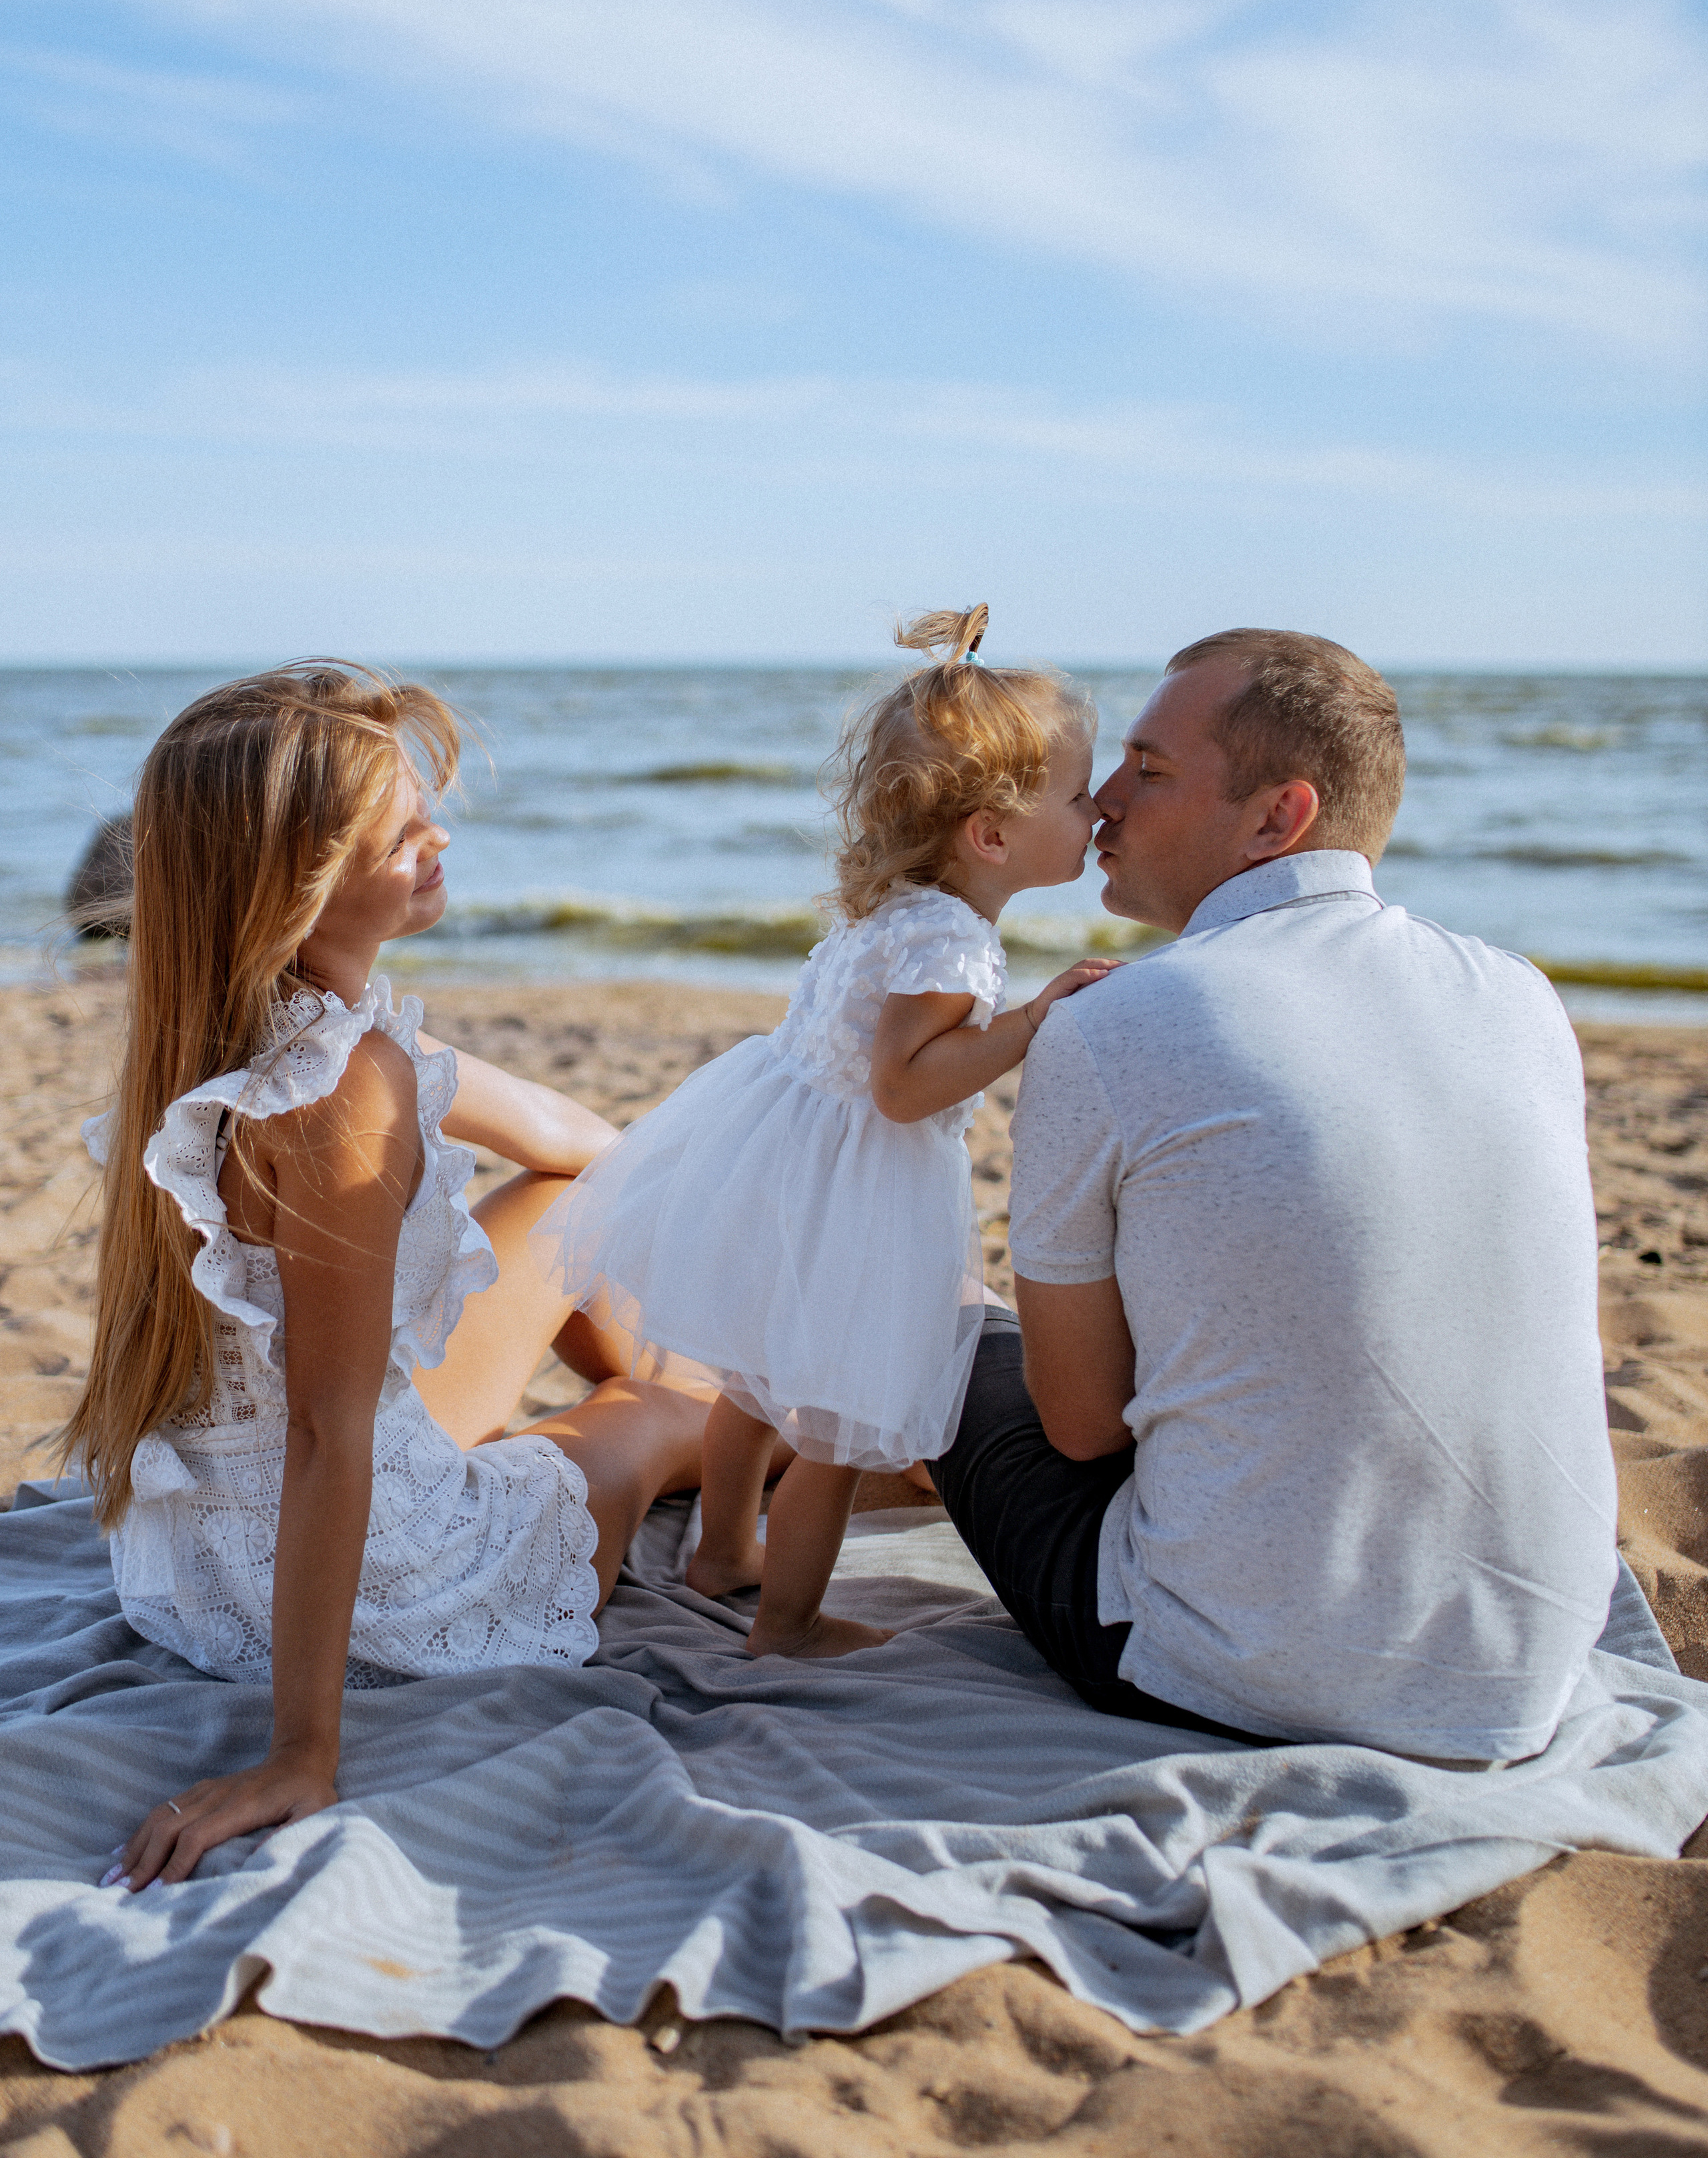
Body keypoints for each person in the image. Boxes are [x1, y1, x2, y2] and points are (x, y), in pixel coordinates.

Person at [67, 664, 710, 1894]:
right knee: (664, 1412)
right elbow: (324, 1429)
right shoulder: (348, 1088)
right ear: (296, 885)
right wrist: (302, 1756)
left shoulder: (213, 1033)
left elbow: (586, 1155)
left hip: (198, 1577)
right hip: (384, 1597)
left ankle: (722, 1448)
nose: (440, 839)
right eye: (403, 831)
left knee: (568, 1207)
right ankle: (771, 1465)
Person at [933, 627, 1619, 1763]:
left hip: (1235, 1671)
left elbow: (1083, 1424)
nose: (1101, 799)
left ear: (1277, 818)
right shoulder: (1520, 996)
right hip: (1523, 1671)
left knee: (942, 1307)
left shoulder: (1109, 1026)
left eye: (1149, 770)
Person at [533, 607, 1118, 1658]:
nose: (1100, 811)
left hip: (790, 1154)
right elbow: (904, 1087)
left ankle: (721, 1555)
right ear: (991, 833)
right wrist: (1031, 1022)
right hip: (861, 1180)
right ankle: (788, 1622)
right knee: (841, 1428)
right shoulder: (953, 941)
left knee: (755, 1381)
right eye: (1080, 798)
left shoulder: (903, 905)